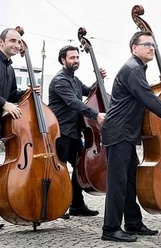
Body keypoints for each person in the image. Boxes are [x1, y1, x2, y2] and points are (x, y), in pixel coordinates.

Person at [101, 31, 161, 242]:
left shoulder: (136, 69)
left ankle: (133, 223)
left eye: (153, 45)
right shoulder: (132, 68)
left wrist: (160, 86)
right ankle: (110, 229)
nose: (152, 48)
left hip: (126, 133)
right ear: (134, 48)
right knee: (118, 182)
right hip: (119, 132)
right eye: (147, 44)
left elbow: (142, 92)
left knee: (130, 180)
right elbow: (148, 98)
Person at [48, 45, 106, 218]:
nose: (75, 61)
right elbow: (74, 102)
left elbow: (89, 92)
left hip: (73, 131)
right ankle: (57, 205)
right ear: (63, 60)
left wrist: (99, 80)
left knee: (79, 166)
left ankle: (77, 205)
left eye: (77, 57)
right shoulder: (60, 80)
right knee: (60, 169)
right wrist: (95, 115)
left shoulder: (74, 79)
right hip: (60, 131)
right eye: (72, 58)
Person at [0, 28, 41, 228]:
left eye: (19, 42)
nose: (17, 45)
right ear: (1, 42)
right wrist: (4, 104)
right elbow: (6, 100)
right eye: (13, 41)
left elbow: (13, 94)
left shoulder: (9, 68)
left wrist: (29, 91)